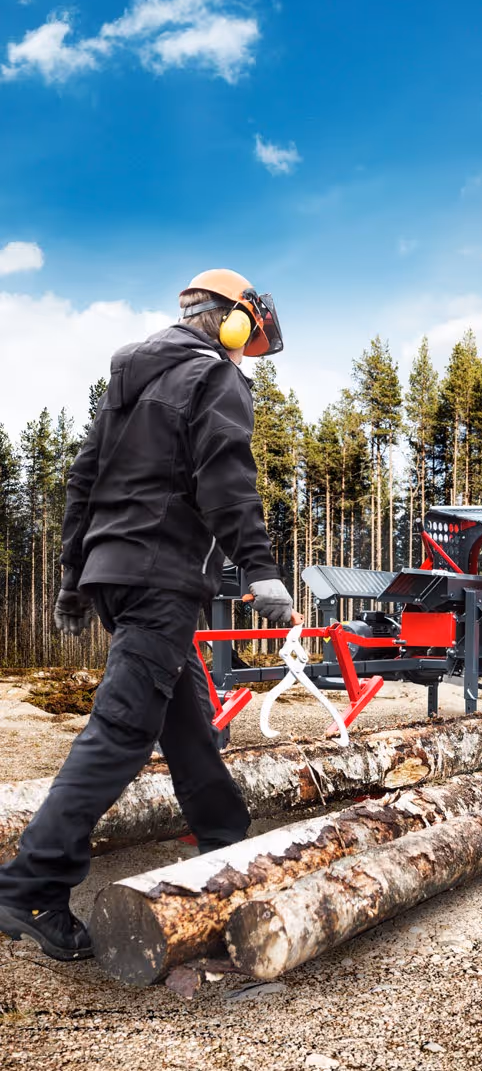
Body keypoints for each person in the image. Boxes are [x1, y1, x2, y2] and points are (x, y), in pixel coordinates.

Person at [0, 269, 298, 961]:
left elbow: (84, 477)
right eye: (247, 336)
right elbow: (227, 477)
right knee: (123, 730)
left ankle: (226, 843)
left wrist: (76, 579)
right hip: (159, 576)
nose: (246, 351)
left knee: (186, 721)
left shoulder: (129, 380)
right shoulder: (213, 379)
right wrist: (259, 568)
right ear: (228, 321)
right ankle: (31, 884)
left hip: (117, 574)